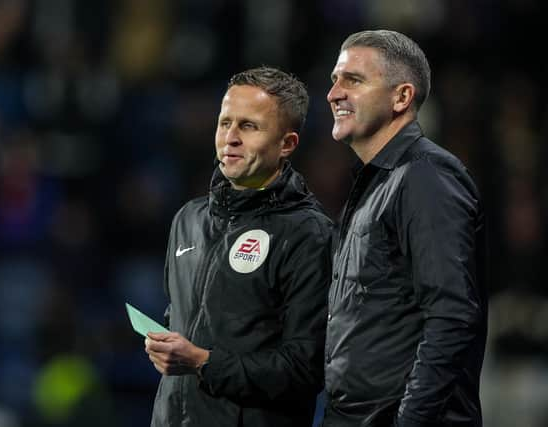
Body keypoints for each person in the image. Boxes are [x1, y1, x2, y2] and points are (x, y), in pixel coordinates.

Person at [146, 66, 333, 427]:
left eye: (249, 126)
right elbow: (183, 317)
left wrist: (203, 362)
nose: (230, 137)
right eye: (225, 122)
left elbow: (305, 368)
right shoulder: (189, 219)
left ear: (287, 144)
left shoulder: (310, 235)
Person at [323, 30, 488, 427]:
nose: (333, 94)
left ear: (401, 97)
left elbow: (451, 316)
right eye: (334, 80)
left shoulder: (425, 176)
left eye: (354, 80)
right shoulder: (377, 184)